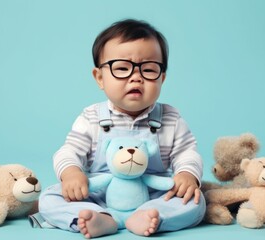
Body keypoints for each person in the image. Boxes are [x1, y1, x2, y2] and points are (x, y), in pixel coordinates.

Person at [35, 19, 206, 238]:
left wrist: (186, 174)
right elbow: (68, 151)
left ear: (162, 78)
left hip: (155, 196)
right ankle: (99, 218)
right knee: (49, 198)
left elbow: (187, 152)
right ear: (100, 78)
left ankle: (150, 217)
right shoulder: (91, 117)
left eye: (148, 69)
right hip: (98, 195)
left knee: (195, 200)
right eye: (122, 68)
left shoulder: (171, 117)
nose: (136, 77)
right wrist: (71, 173)